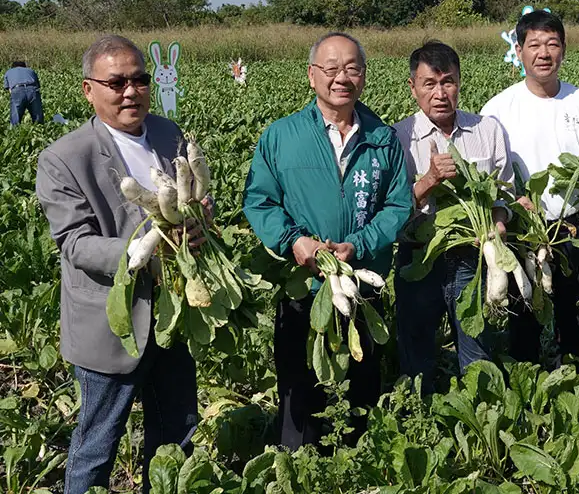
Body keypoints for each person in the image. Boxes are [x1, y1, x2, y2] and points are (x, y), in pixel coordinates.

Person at [35, 35, 207, 494]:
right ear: (89, 90)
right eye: (116, 82)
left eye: (139, 80)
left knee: (176, 435)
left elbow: (194, 203)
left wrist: (198, 222)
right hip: (110, 327)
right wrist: (146, 246)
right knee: (97, 444)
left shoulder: (171, 135)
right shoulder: (63, 158)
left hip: (173, 317)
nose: (130, 91)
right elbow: (74, 244)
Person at [242, 32, 413, 449]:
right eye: (331, 68)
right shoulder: (281, 136)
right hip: (302, 282)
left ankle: (358, 459)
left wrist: (357, 243)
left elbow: (398, 205)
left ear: (364, 75)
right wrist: (294, 241)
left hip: (361, 281)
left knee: (362, 377)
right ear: (311, 75)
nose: (342, 78)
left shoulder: (382, 137)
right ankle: (296, 464)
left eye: (352, 68)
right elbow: (259, 201)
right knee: (299, 380)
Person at [481, 10, 579, 363]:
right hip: (521, 226)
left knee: (574, 304)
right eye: (535, 45)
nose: (544, 53)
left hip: (574, 224)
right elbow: (490, 174)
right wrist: (512, 201)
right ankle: (528, 374)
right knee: (523, 305)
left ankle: (574, 366)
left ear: (564, 50)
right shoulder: (498, 108)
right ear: (519, 50)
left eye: (552, 44)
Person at [392, 41, 513, 395]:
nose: (440, 93)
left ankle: (482, 414)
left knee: (478, 347)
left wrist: (498, 222)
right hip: (419, 255)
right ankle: (420, 418)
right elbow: (392, 208)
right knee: (417, 349)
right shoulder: (397, 138)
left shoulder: (487, 130)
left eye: (448, 81)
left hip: (472, 258)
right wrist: (429, 180)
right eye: (429, 83)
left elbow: (503, 191)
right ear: (413, 88)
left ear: (460, 83)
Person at [4, 60, 44, 125]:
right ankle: (39, 130)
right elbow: (38, 86)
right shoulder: (31, 70)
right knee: (37, 115)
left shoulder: (8, 72)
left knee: (15, 116)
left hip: (17, 89)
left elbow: (9, 89)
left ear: (13, 67)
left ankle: (15, 131)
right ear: (24, 66)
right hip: (32, 89)